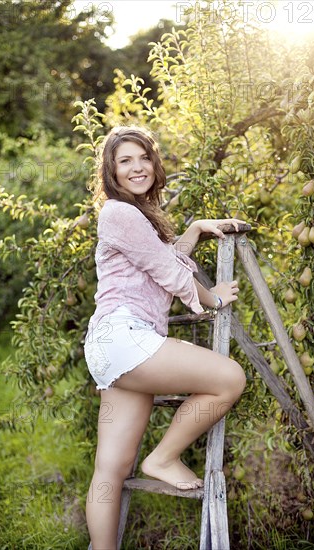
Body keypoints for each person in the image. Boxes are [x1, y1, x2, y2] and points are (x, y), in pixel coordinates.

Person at [84, 126, 246, 549]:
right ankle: (163, 457)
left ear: (154, 164)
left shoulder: (134, 218)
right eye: (125, 161)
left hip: (112, 347)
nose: (137, 167)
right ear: (111, 172)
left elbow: (160, 260)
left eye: (143, 158)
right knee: (229, 379)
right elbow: (170, 272)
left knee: (110, 469)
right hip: (125, 337)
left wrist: (193, 230)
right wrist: (210, 298)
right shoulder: (118, 212)